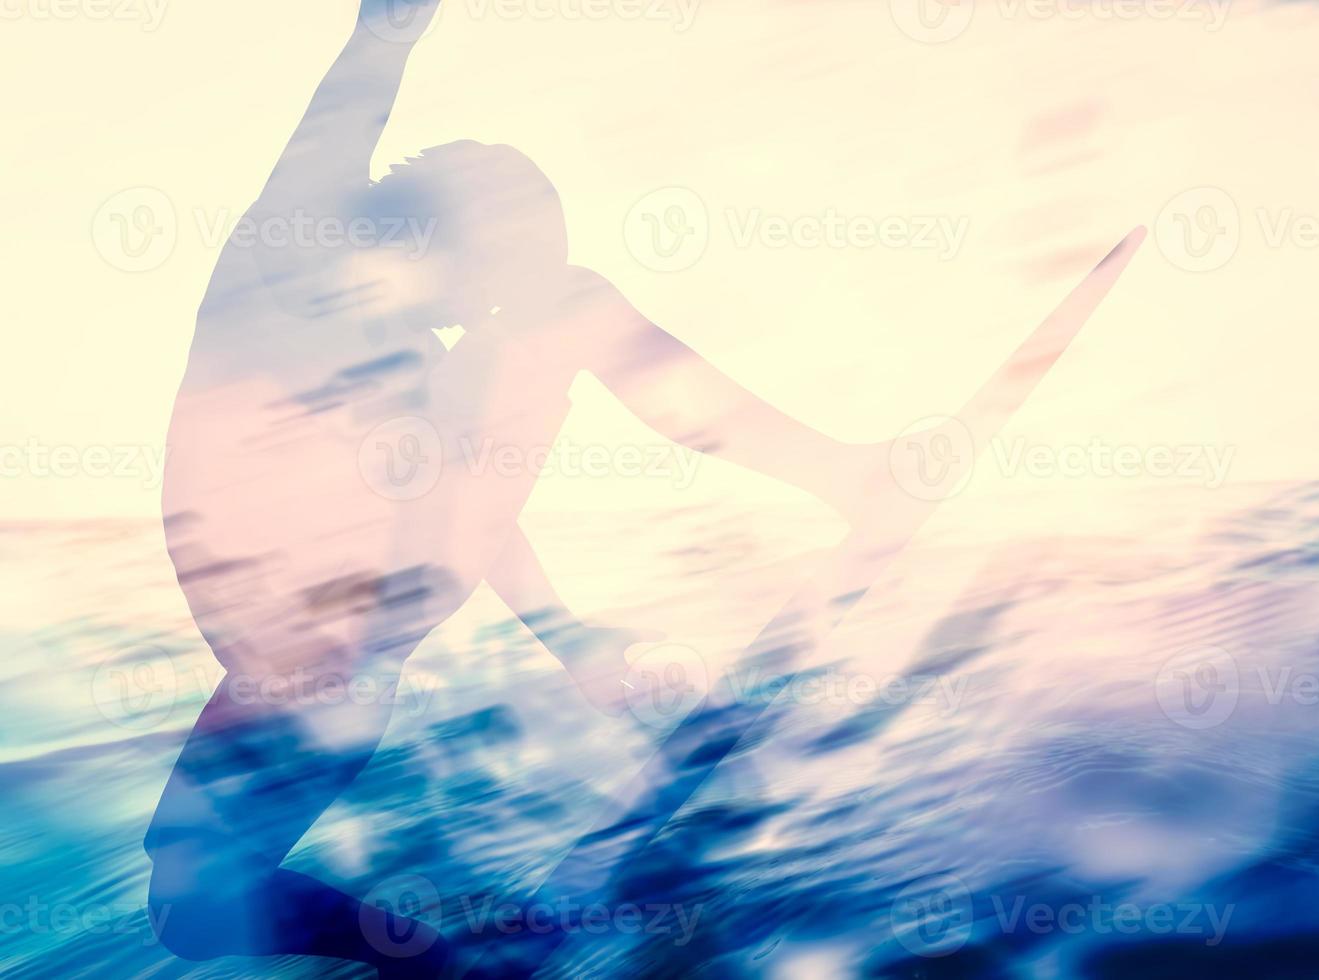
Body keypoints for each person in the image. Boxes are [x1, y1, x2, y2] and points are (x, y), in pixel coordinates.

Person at [145, 1, 891, 975]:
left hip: (328, 654)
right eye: (497, 276)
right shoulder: (288, 240)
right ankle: (436, 959)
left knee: (564, 313)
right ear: (460, 233)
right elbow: (339, 119)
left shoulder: (408, 360)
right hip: (306, 667)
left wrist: (566, 633)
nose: (487, 312)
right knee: (190, 899)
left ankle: (845, 473)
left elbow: (451, 504)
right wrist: (388, 30)